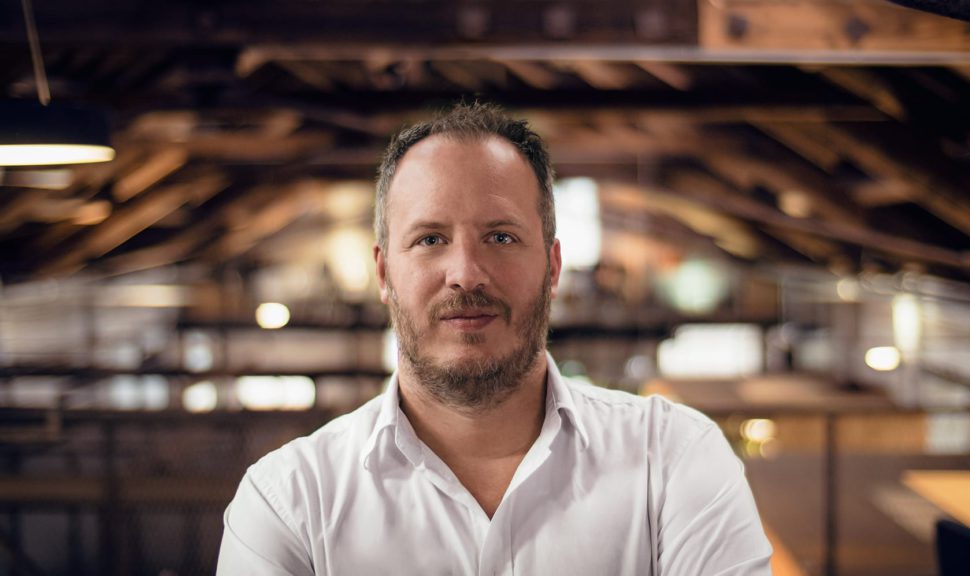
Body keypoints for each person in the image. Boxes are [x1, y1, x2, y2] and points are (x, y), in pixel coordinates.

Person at [217, 103, 773, 575]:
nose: (466, 273)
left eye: (501, 237)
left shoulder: (673, 459)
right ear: (383, 273)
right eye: (430, 239)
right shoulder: (288, 501)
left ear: (553, 267)